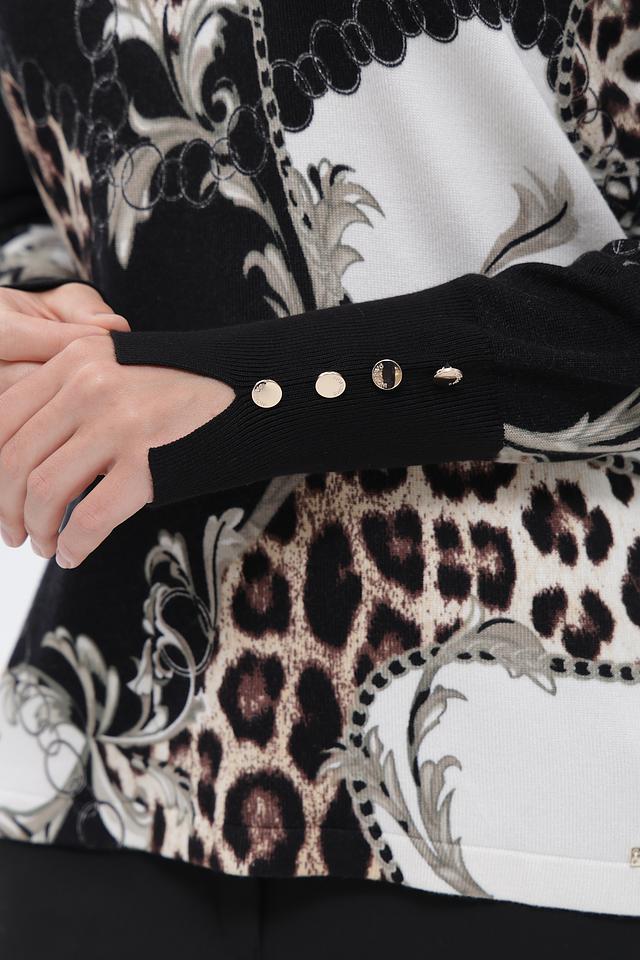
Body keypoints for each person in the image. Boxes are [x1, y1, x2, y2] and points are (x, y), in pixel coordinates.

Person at [1, 0, 640, 956]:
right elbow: (38, 189)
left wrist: (248, 390)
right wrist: (29, 339)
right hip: (98, 756)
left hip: (514, 783)